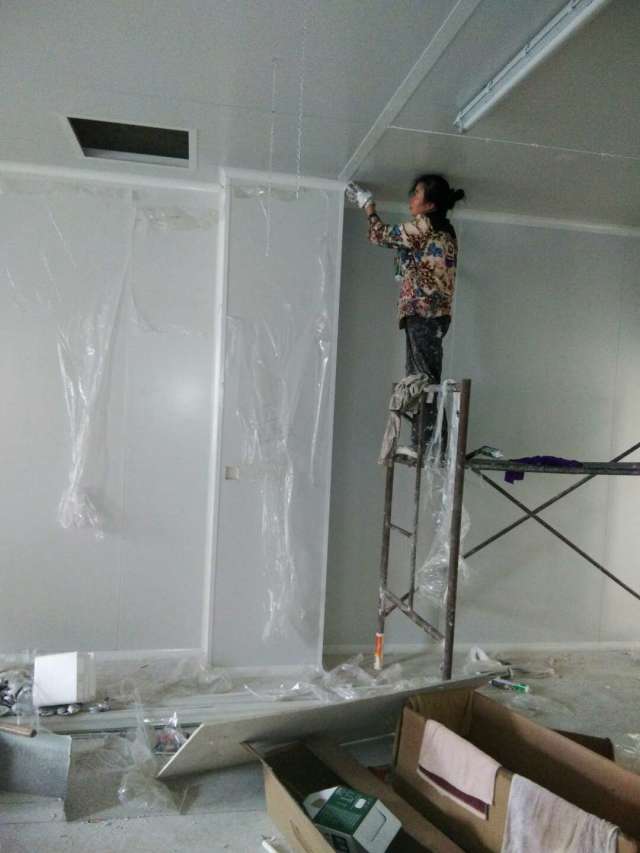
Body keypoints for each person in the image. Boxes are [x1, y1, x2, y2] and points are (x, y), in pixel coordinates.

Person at [346, 175, 465, 454]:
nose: (412, 198)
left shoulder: (426, 226)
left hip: (424, 313)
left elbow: (380, 235)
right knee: (420, 379)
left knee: (422, 379)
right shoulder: (444, 230)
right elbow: (410, 254)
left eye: (417, 194)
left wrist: (368, 206)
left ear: (430, 204)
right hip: (431, 314)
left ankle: (432, 445)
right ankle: (425, 442)